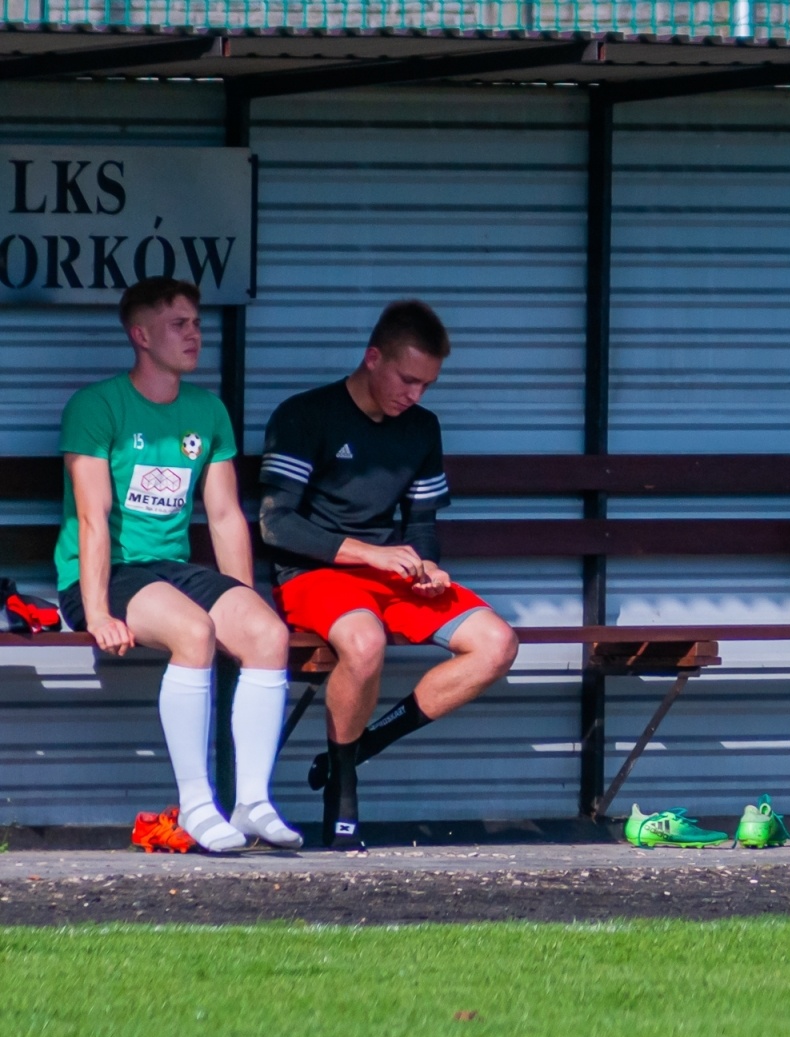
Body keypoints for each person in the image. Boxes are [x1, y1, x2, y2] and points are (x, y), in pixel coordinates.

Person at [259, 299, 519, 849]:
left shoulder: (422, 428)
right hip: (316, 572)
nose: (415, 395)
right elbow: (277, 525)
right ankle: (343, 788)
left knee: (498, 644)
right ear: (373, 358)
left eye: (427, 385)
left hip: (389, 574)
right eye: (408, 379)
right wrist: (369, 554)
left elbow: (421, 524)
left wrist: (428, 566)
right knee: (364, 641)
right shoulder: (304, 415)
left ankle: (359, 748)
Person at [55, 277, 301, 852]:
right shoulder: (96, 406)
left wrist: (243, 600)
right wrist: (97, 612)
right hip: (108, 574)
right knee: (195, 631)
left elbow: (225, 515)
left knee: (267, 633)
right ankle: (195, 805)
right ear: (141, 336)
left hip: (172, 568)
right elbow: (92, 517)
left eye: (197, 323)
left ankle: (252, 802)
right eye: (178, 324)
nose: (195, 335)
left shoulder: (207, 410)